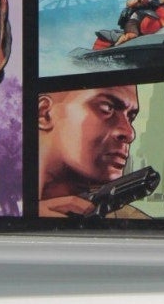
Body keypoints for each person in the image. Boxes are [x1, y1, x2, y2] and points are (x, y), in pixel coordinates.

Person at [36, 86, 149, 219]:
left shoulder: (132, 220)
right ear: (44, 113)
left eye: (130, 117)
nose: (130, 134)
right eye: (107, 107)